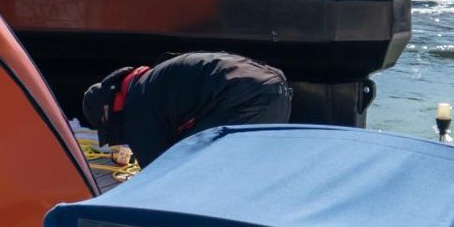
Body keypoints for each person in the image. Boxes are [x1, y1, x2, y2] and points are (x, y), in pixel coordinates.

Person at [81, 52, 294, 166]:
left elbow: (159, 173)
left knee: (194, 168)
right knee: (243, 171)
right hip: (277, 91)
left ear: (108, 113)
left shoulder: (138, 105)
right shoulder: (153, 80)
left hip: (243, 100)